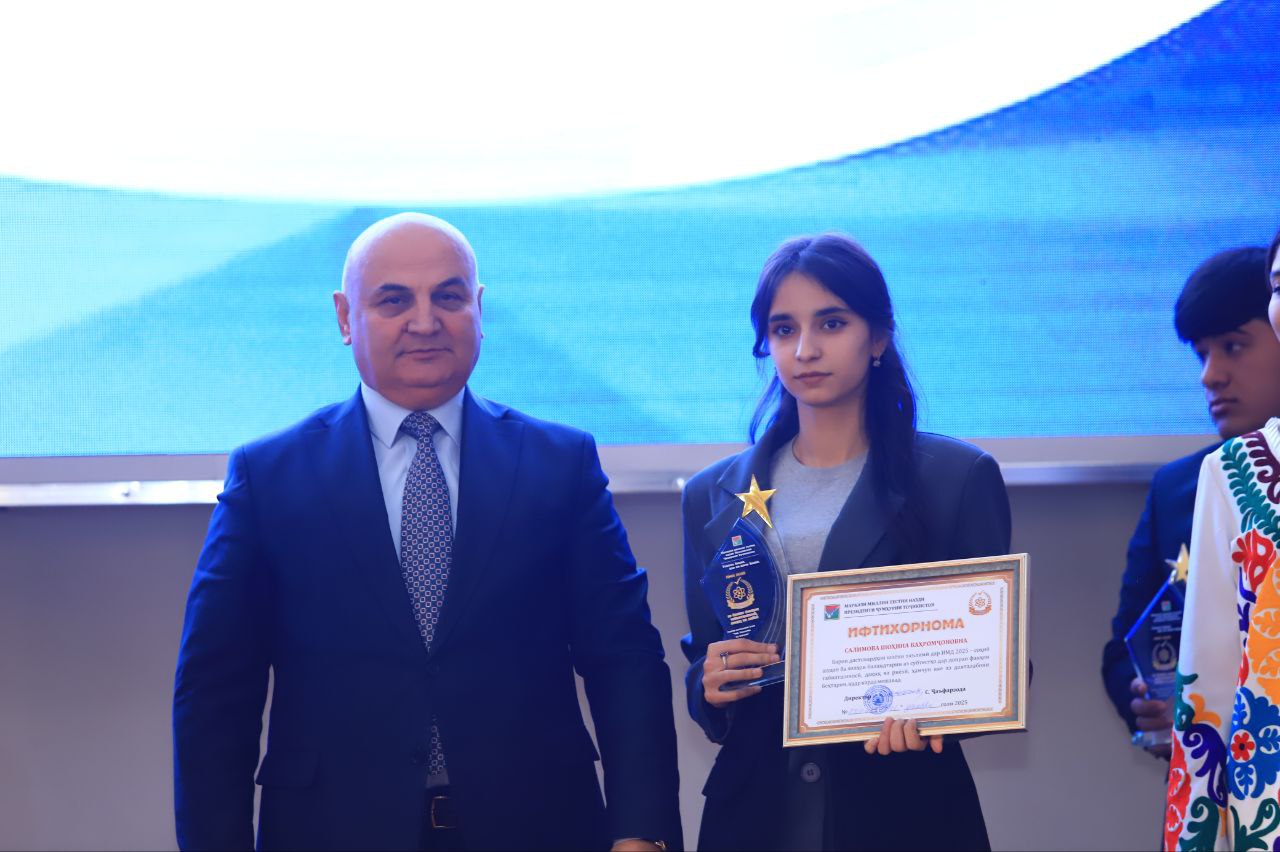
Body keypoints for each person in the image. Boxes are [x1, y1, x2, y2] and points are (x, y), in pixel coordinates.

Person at [173, 213, 682, 851]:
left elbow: (625, 659)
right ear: (345, 317)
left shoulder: (560, 464)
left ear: (478, 308)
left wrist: (642, 832)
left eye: (448, 296)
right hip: (332, 831)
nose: (425, 321)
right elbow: (216, 688)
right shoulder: (270, 475)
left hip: (539, 825)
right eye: (394, 300)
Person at [680, 233, 1011, 851]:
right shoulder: (710, 494)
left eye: (831, 323)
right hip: (753, 816)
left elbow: (997, 665)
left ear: (878, 337)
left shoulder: (956, 478)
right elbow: (704, 664)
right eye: (784, 329)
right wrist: (710, 685)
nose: (805, 349)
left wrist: (934, 709)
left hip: (903, 814)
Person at [1101, 246, 1280, 756]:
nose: (1210, 375)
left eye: (1233, 347)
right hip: (1214, 779)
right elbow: (1124, 646)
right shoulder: (1180, 487)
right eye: (1202, 355)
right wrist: (1144, 698)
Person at [1166, 228, 1280, 850]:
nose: (1211, 376)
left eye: (1233, 346)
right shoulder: (1219, 477)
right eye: (1279, 287)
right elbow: (1201, 684)